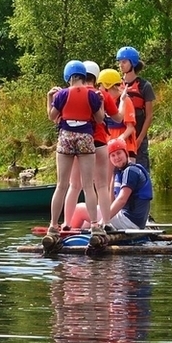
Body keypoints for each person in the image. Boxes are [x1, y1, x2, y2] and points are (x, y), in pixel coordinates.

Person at [46, 60, 106, 238]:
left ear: (68, 77)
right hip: (86, 138)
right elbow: (100, 119)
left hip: (66, 137)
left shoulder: (62, 94)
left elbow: (52, 116)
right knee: (88, 186)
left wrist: (50, 98)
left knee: (62, 185)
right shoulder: (92, 95)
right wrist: (100, 102)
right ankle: (95, 225)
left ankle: (53, 225)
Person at [61, 61, 123, 229]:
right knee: (102, 185)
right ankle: (106, 222)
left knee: (74, 185)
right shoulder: (101, 95)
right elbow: (118, 118)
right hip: (99, 143)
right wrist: (123, 100)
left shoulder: (69, 93)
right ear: (96, 77)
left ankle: (67, 223)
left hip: (76, 145)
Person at [117, 46, 155, 172]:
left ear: (132, 63)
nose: (120, 65)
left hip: (138, 136)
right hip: (121, 135)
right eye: (119, 62)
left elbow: (149, 116)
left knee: (141, 172)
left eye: (124, 62)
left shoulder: (145, 86)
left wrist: (139, 139)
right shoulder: (116, 85)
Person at [98, 68, 137, 162]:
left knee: (127, 175)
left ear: (110, 86)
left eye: (101, 86)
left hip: (126, 146)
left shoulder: (125, 100)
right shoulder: (105, 101)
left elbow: (130, 128)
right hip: (109, 145)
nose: (100, 89)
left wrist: (118, 140)